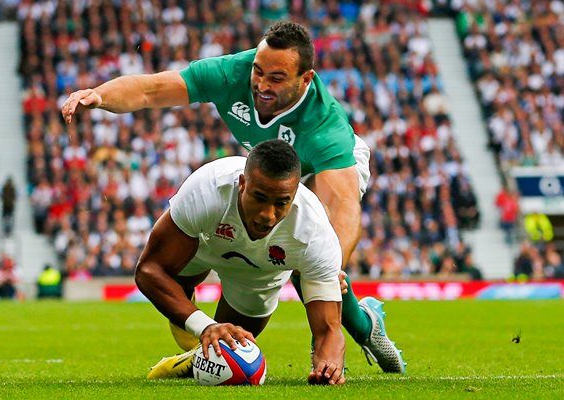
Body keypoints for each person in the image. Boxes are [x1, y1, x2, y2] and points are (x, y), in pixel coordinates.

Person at [62, 21, 405, 374]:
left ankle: (365, 327)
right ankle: (199, 339)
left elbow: (344, 204)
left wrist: (337, 264)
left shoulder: (324, 127)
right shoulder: (232, 74)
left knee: (314, 270)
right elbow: (151, 89)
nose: (261, 84)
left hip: (322, 173)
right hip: (268, 170)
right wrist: (100, 96)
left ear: (305, 79)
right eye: (259, 71)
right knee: (193, 321)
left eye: (276, 78)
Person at [135, 140, 346, 384]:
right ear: (242, 184)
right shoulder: (207, 190)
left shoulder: (314, 230)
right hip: (203, 247)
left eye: (281, 203)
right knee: (171, 280)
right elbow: (149, 270)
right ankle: (194, 326)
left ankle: (192, 360)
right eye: (259, 197)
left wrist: (328, 367)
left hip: (259, 275)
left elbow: (329, 330)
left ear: (295, 196)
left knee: (228, 349)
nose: (268, 215)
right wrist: (204, 326)